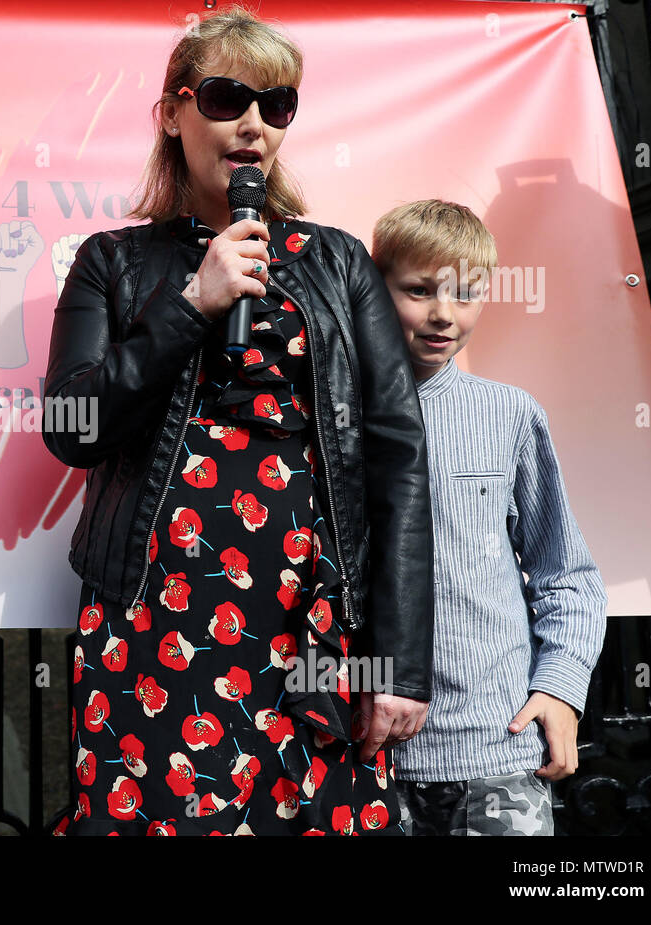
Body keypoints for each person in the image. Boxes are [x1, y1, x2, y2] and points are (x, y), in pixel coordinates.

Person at [43, 7, 433, 835]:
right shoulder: (113, 262)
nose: (253, 123)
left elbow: (399, 457)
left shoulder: (336, 261)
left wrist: (399, 659)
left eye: (277, 104)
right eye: (226, 97)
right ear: (173, 113)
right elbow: (72, 426)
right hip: (156, 622)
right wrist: (191, 305)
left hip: (313, 618)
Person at [370, 200, 607, 835]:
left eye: (465, 294)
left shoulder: (508, 416)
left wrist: (559, 689)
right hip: (368, 757)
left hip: (498, 751)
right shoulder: (330, 418)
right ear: (375, 285)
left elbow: (566, 571)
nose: (444, 314)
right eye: (419, 291)